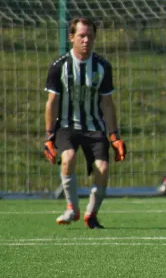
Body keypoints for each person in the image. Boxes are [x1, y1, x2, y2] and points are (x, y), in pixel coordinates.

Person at [44, 17, 126, 229]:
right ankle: (72, 207)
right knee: (68, 157)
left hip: (94, 126)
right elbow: (52, 103)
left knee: (103, 167)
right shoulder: (59, 67)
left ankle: (91, 214)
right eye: (81, 35)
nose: (86, 40)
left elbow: (107, 104)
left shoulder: (102, 67)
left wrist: (114, 135)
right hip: (67, 126)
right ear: (71, 37)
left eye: (90, 35)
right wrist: (48, 136)